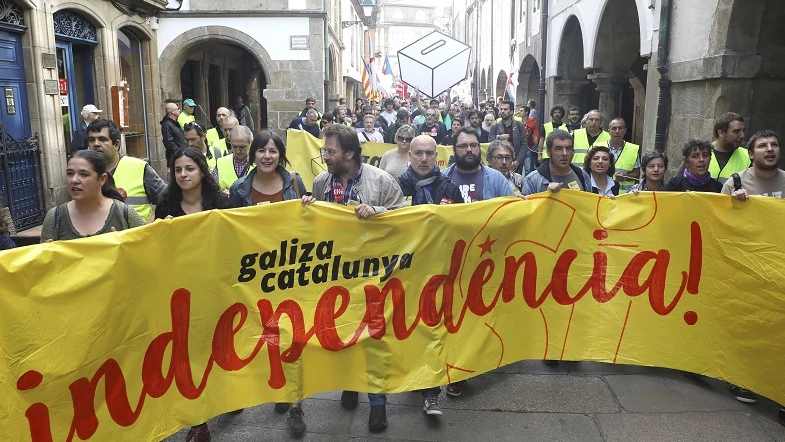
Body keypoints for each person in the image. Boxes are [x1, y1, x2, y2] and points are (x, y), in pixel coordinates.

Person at [300, 123, 405, 433]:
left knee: (373, 337)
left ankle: (378, 403)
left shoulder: (382, 180)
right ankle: (349, 382)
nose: (325, 156)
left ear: (348, 153)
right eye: (324, 150)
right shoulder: (321, 182)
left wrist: (378, 210)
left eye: (330, 151)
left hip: (372, 275)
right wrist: (309, 207)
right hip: (335, 277)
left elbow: (405, 218)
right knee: (342, 333)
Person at [150, 148, 228, 442]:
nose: (183, 174)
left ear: (202, 172)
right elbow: (158, 249)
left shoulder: (219, 203)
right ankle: (199, 423)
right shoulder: (166, 204)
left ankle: (224, 397)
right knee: (188, 354)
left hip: (214, 287)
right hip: (181, 291)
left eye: (189, 169)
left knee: (216, 351)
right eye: (178, 170)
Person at [721, 130, 784, 413]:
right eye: (762, 146)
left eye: (774, 145)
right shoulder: (735, 183)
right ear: (751, 153)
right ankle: (742, 378)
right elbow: (718, 223)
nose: (769, 150)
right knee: (746, 323)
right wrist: (734, 205)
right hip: (746, 266)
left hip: (779, 266)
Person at [40, 150, 144, 242]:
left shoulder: (124, 214)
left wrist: (127, 248)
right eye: (70, 173)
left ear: (102, 179)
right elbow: (41, 261)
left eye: (84, 174)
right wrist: (47, 256)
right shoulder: (55, 217)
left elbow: (148, 250)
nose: (74, 180)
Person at [88, 119, 166, 222]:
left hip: (137, 236)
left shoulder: (139, 168)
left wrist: (148, 226)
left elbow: (169, 201)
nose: (96, 144)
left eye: (102, 139)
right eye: (91, 140)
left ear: (116, 145)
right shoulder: (83, 172)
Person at [442, 127, 515, 204]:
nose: (469, 150)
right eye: (463, 146)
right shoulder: (442, 179)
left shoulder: (497, 179)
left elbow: (512, 209)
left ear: (479, 147)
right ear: (454, 149)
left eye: (473, 145)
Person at [398, 135, 464, 205]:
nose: (424, 159)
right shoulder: (397, 188)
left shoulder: (451, 189)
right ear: (410, 156)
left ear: (436, 156)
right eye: (418, 153)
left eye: (429, 153)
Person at [522, 129, 591, 196]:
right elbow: (527, 207)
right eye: (558, 149)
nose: (565, 153)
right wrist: (545, 196)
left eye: (568, 148)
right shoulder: (533, 180)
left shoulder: (583, 176)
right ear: (548, 152)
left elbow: (589, 206)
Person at [489, 100, 529, 175]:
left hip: (515, 164)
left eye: (505, 109)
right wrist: (499, 138)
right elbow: (489, 144)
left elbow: (524, 145)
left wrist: (518, 161)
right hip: (499, 164)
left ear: (511, 112)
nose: (502, 111)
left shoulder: (519, 125)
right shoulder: (495, 126)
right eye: (501, 109)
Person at [710, 112, 750, 183]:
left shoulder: (748, 156)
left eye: (743, 131)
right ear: (721, 133)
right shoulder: (699, 155)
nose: (742, 135)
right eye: (736, 131)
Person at [213, 125, 253, 191]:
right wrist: (221, 193)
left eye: (242, 147)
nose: (238, 151)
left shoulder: (259, 163)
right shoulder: (221, 163)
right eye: (234, 147)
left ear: (251, 143)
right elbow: (211, 189)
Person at [606, 118, 640, 192]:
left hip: (625, 195)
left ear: (625, 131)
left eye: (620, 128)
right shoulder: (599, 147)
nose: (617, 131)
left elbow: (637, 173)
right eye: (614, 128)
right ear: (609, 131)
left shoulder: (633, 149)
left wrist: (625, 176)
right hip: (604, 193)